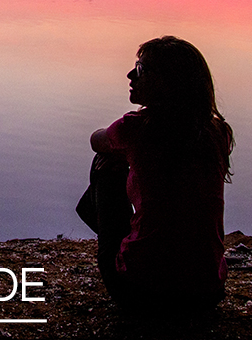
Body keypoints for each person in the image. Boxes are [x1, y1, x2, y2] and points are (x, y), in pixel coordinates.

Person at [77, 36, 234, 313]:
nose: (130, 74)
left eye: (140, 69)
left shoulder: (136, 129)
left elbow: (96, 140)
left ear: (166, 82)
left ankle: (113, 238)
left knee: (105, 159)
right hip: (207, 292)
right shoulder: (217, 132)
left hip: (141, 293)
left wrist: (120, 151)